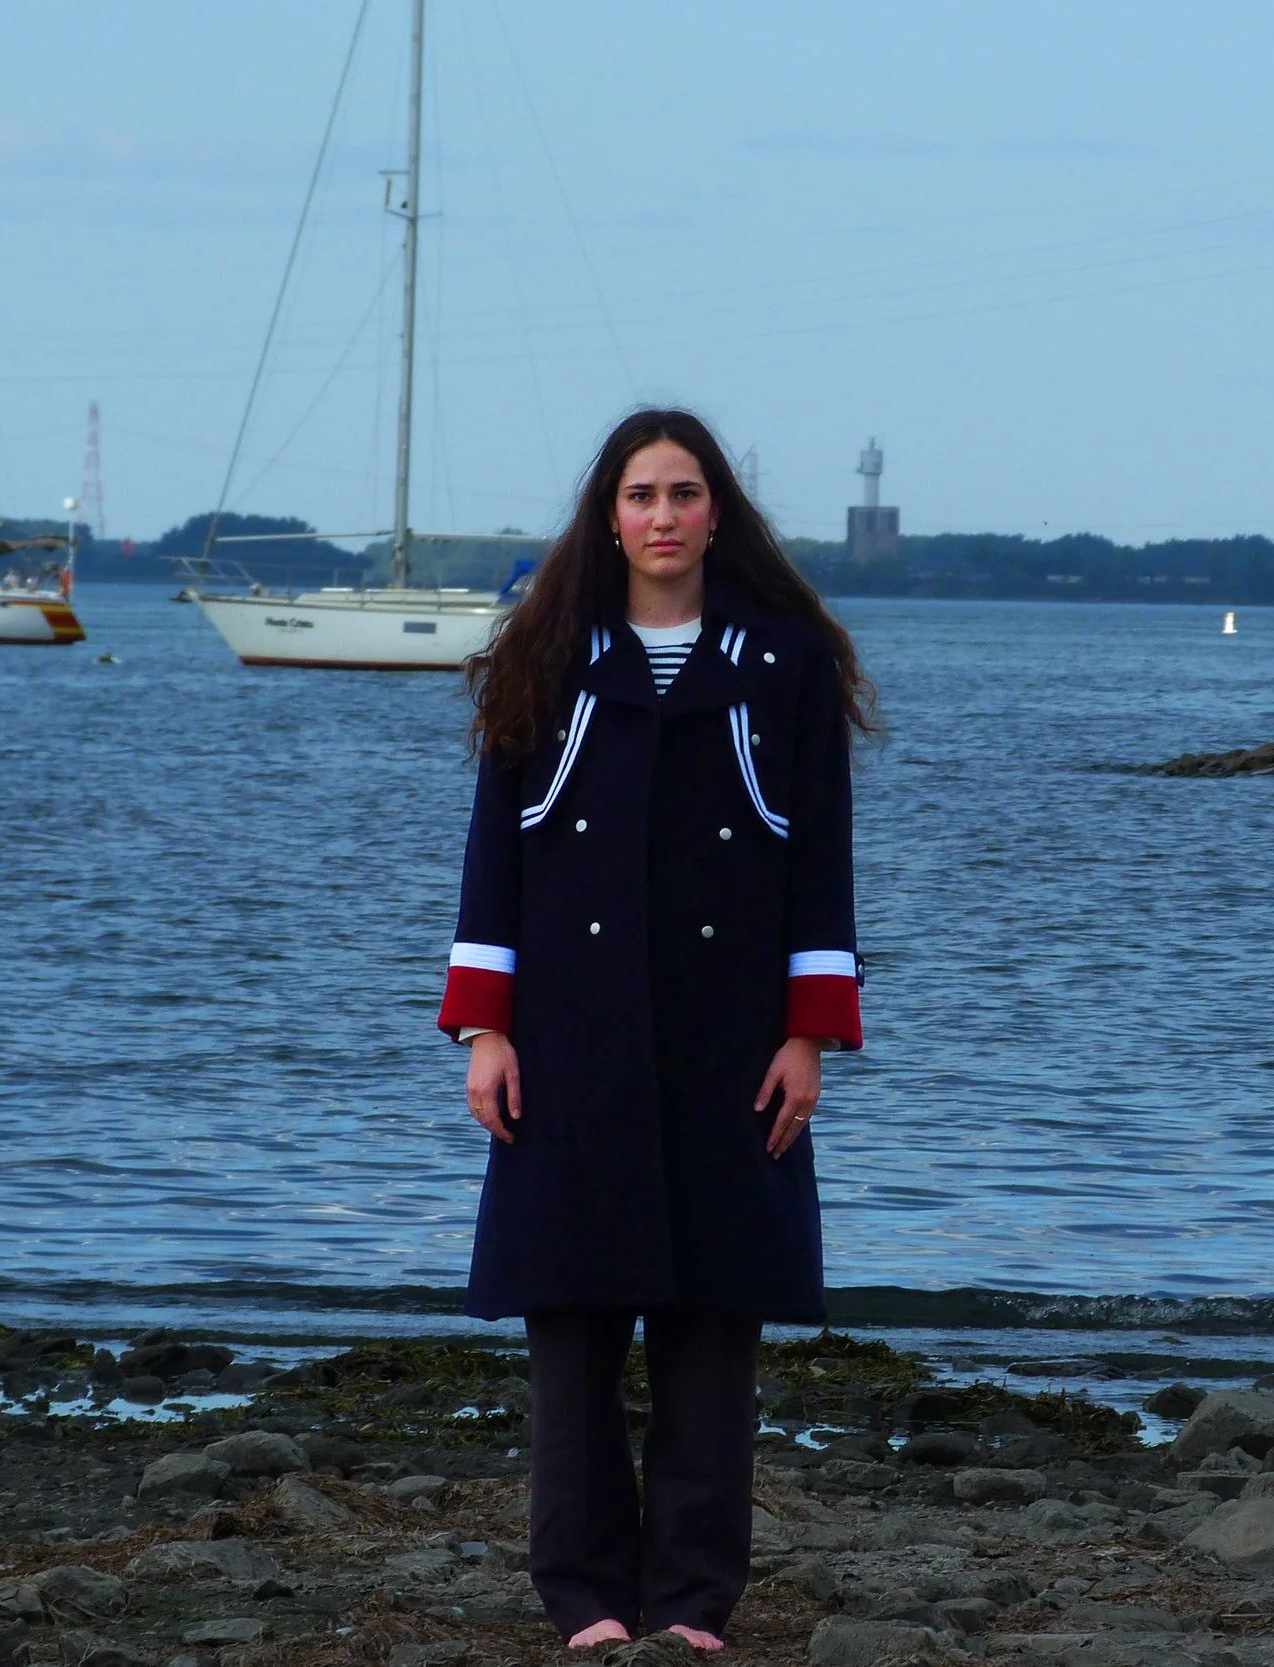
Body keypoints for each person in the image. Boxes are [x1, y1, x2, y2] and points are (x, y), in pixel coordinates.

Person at [436, 408, 876, 1650]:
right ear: (609, 516)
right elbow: (493, 859)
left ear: (716, 512)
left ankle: (688, 1601)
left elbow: (821, 865)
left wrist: (807, 1036)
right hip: (567, 1042)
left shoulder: (783, 661)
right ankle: (584, 1596)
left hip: (729, 1038)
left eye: (684, 492)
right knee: (569, 1325)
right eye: (641, 495)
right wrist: (485, 1027)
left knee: (711, 1326)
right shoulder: (545, 653)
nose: (664, 516)